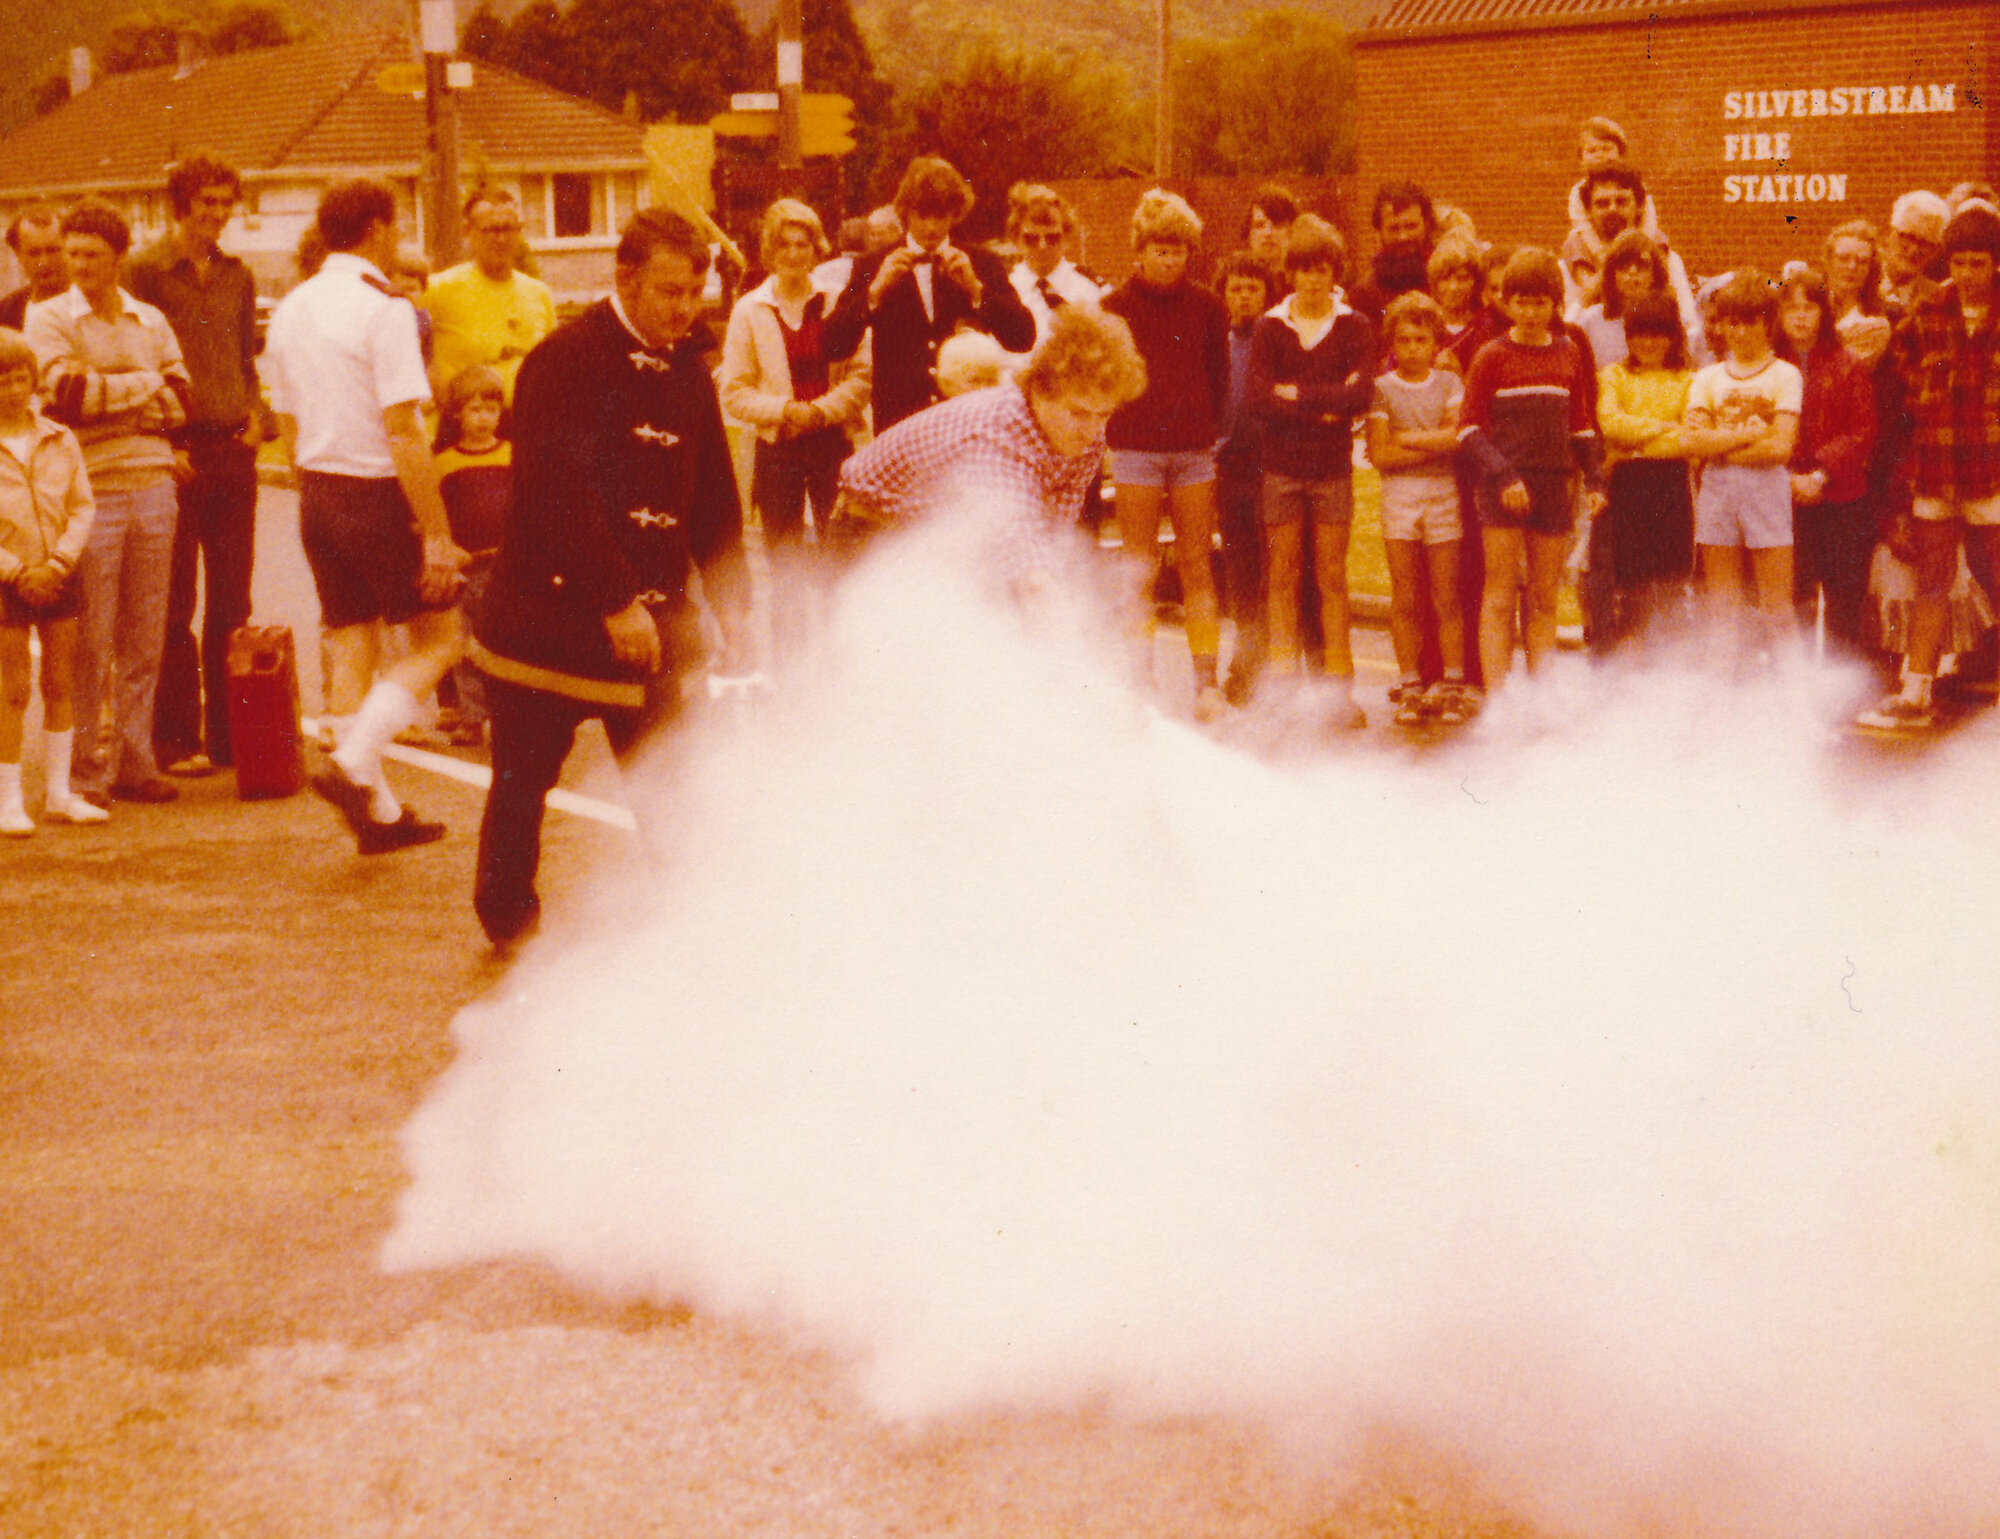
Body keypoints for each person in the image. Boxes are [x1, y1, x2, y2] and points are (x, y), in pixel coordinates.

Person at [468, 208, 751, 946]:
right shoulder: (564, 359)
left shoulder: (689, 366)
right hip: (551, 621)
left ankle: (698, 918)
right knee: (523, 784)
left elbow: (714, 494)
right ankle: (507, 920)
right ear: (624, 278)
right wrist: (617, 600)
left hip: (652, 624)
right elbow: (559, 492)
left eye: (696, 291)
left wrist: (735, 602)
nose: (686, 308)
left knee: (672, 779)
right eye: (670, 291)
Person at [263, 178, 468, 855]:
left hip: (318, 490)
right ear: (379, 228)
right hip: (375, 489)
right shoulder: (386, 309)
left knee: (352, 641)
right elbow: (405, 427)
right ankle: (354, 767)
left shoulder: (291, 307)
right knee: (442, 639)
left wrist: (315, 488)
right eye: (397, 225)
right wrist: (436, 532)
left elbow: (287, 422)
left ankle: (377, 813)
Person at [25, 199, 192, 808]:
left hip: (154, 485)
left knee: (144, 633)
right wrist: (142, 387)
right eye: (72, 254)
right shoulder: (47, 318)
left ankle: (135, 761)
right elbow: (67, 397)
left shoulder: (149, 320)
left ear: (118, 257)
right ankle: (84, 772)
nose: (78, 265)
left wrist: (113, 390)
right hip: (90, 488)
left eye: (92, 255)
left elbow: (183, 400)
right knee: (90, 637)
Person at [123, 152, 265, 779]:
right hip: (178, 453)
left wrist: (258, 412)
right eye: (205, 202)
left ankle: (236, 738)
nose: (215, 214)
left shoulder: (239, 273)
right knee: (173, 603)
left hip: (234, 450)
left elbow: (243, 355)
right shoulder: (145, 273)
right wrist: (166, 442)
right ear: (182, 204)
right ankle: (175, 739)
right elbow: (137, 364)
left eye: (224, 202)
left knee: (233, 602)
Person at [834, 304, 1147, 585]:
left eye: (1103, 414)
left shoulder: (1088, 438)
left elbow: (1051, 533)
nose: (1091, 430)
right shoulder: (996, 436)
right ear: (1043, 390)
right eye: (1078, 412)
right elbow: (1019, 549)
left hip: (934, 529)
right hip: (872, 525)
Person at [1856, 205, 2000, 730]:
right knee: (1931, 583)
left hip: (1992, 469)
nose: (1967, 273)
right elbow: (1898, 376)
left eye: (1978, 263)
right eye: (1959, 261)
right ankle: (1915, 692)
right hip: (1937, 466)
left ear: (1995, 264)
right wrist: (1928, 393)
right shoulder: (1929, 311)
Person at [719, 197, 872, 668]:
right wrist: (784, 410)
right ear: (770, 250)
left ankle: (840, 661)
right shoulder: (750, 310)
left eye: (803, 244)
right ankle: (789, 669)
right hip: (778, 446)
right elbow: (734, 391)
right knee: (783, 561)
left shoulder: (835, 303)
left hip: (831, 443)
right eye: (783, 245)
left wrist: (821, 412)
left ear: (816, 248)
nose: (794, 254)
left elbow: (862, 376)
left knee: (838, 553)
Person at [1101, 189, 1232, 719]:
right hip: (1134, 450)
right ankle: (1139, 680)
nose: (1169, 257)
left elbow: (1220, 380)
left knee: (1198, 565)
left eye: (1178, 248)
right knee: (1138, 568)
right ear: (1139, 250)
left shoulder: (1209, 307)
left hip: (1193, 452)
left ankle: (1206, 684)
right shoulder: (1114, 307)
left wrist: (1203, 429)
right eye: (1159, 248)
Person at [1248, 214, 1377, 724]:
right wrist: (1325, 406)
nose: (1312, 279)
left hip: (1331, 470)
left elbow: (1360, 395)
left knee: (1332, 578)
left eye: (1321, 269)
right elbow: (1258, 400)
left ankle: (1339, 692)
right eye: (1302, 270)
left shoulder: (1355, 326)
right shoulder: (1269, 326)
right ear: (1290, 273)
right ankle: (1283, 691)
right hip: (1280, 469)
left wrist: (1297, 392)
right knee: (1282, 578)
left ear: (1333, 271)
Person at [1457, 247, 1604, 691]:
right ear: (1507, 302)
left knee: (1542, 599)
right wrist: (1503, 475)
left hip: (1553, 486)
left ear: (1554, 303)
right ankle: (1498, 698)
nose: (1530, 311)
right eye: (1520, 301)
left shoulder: (1569, 353)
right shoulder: (1491, 356)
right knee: (1499, 596)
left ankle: (1540, 697)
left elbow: (1581, 425)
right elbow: (1467, 429)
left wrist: (1594, 479)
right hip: (1504, 487)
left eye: (1539, 302)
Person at [824, 158, 1035, 433]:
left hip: (967, 421)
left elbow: (1023, 338)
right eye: (922, 215)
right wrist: (874, 293)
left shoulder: (981, 262)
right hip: (901, 424)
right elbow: (832, 345)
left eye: (941, 215)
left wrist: (976, 291)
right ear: (905, 213)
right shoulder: (873, 264)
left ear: (955, 213)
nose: (932, 227)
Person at [0, 329, 103, 833]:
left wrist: (59, 563)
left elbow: (82, 507)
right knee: (13, 689)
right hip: (8, 581)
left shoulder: (61, 438)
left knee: (61, 681)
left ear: (33, 382)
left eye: (20, 379)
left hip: (60, 573)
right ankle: (8, 801)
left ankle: (60, 794)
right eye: (1, 381)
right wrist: (16, 571)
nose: (12, 390)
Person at [1681, 270, 1803, 668]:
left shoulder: (1785, 375)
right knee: (1722, 606)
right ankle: (1722, 693)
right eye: (1733, 322)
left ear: (1768, 324)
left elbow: (1780, 447)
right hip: (1718, 494)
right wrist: (1746, 436)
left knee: (1776, 605)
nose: (1741, 331)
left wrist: (1721, 444)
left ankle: (1796, 696)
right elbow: (1693, 442)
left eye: (1750, 321)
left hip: (1766, 494)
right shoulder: (1707, 377)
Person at [1367, 291, 1472, 723]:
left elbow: (1456, 440)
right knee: (1406, 595)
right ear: (1393, 342)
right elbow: (1380, 455)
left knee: (1446, 595)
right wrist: (1431, 445)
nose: (1413, 348)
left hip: (1443, 494)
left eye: (1421, 340)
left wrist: (1405, 438)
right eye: (1405, 340)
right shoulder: (1381, 388)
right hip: (1399, 497)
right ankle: (1410, 683)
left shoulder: (1449, 383)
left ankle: (1451, 683)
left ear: (1435, 343)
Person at [1773, 264, 1878, 666]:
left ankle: (1839, 688)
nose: (1801, 316)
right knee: (1792, 597)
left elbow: (1862, 430)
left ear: (1824, 312)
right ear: (1779, 315)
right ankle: (1795, 684)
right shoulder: (1768, 366)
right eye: (1791, 307)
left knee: (1843, 598)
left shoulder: (1847, 364)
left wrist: (1820, 473)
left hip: (1840, 497)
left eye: (1810, 307)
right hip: (1783, 500)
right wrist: (1786, 479)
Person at [1595, 291, 1697, 652]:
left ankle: (1669, 660)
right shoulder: (1614, 375)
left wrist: (1634, 447)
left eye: (1658, 333)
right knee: (1632, 580)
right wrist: (1666, 429)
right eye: (1640, 333)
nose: (1649, 343)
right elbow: (1610, 423)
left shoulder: (1688, 379)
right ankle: (1631, 658)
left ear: (1672, 335)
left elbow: (1690, 438)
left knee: (1671, 578)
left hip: (1671, 486)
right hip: (1627, 489)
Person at [431, 364, 512, 748]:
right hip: (466, 567)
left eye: (491, 409)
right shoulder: (445, 462)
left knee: (509, 642)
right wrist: (448, 548)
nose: (484, 418)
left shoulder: (513, 455)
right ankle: (472, 716)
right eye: (475, 410)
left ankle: (514, 717)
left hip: (507, 565)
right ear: (457, 415)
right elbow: (432, 516)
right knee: (465, 646)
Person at [418, 187, 556, 400]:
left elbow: (551, 367)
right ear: (468, 231)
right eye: (491, 230)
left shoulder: (538, 293)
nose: (501, 240)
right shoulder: (438, 290)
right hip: (462, 425)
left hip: (525, 423)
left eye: (509, 229)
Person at [1212, 250, 1274, 703]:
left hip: (1271, 465)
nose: (1244, 296)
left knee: (1275, 569)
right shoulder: (1218, 342)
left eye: (1253, 287)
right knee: (1239, 569)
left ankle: (1270, 662)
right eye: (1235, 287)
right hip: (1228, 466)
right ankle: (1244, 660)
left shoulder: (1276, 339)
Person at [1562, 164, 1698, 341]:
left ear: (1640, 206)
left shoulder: (1668, 259)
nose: (1612, 209)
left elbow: (1689, 326)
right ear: (1588, 211)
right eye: (1602, 204)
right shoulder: (1570, 266)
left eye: (1622, 201)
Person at [1005, 184, 1104, 346]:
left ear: (1066, 238)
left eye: (1052, 238)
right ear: (1016, 239)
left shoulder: (1091, 289)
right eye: (1031, 238)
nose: (1042, 246)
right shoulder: (1004, 288)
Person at [1349, 181, 1436, 327]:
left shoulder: (1447, 283)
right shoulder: (1365, 295)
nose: (1403, 237)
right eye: (1394, 228)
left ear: (1426, 226)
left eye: (1411, 226)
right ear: (1379, 232)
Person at [1821, 220, 1895, 368]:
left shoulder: (1876, 322)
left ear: (1871, 268)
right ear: (1828, 262)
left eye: (1862, 261)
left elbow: (1842, 370)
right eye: (1843, 258)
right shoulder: (1812, 305)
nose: (1852, 266)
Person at [1879, 190, 1949, 313]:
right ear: (1889, 233)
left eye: (1925, 243)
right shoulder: (1857, 283)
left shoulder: (1937, 299)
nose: (1913, 250)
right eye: (1908, 237)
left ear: (1936, 251)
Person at [1, 207, 69, 332]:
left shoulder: (90, 304)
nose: (44, 263)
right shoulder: (7, 311)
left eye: (53, 250)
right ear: (18, 255)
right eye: (34, 253)